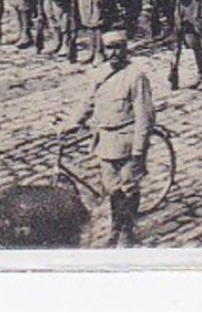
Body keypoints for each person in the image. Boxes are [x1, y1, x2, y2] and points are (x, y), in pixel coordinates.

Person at [63, 30, 155, 246]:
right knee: (112, 188)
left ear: (125, 48)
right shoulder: (100, 74)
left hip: (127, 141)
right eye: (109, 48)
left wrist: (139, 150)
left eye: (118, 47)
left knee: (129, 187)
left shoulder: (135, 76)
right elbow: (88, 102)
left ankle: (127, 231)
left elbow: (145, 116)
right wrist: (71, 123)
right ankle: (116, 226)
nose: (113, 53)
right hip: (105, 142)